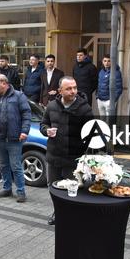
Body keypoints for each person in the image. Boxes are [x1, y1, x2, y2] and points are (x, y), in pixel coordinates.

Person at [40, 76, 93, 225]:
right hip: (53, 156)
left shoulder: (85, 109)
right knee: (53, 187)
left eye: (75, 88)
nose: (73, 91)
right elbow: (43, 124)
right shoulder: (51, 106)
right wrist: (46, 130)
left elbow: (92, 133)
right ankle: (57, 211)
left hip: (73, 158)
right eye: (68, 88)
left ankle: (70, 215)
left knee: (72, 188)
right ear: (60, 91)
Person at [0, 74, 31, 203]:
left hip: (14, 139)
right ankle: (7, 188)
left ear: (4, 83)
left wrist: (24, 131)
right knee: (3, 165)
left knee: (16, 166)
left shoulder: (18, 96)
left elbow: (26, 114)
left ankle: (21, 192)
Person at [96, 54, 123, 123]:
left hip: (109, 101)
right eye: (105, 61)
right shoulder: (101, 72)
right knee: (102, 121)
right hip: (100, 100)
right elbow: (98, 84)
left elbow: (119, 88)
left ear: (112, 62)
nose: (106, 63)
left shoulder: (116, 72)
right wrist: (97, 96)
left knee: (109, 122)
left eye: (109, 61)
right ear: (102, 62)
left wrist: (112, 100)